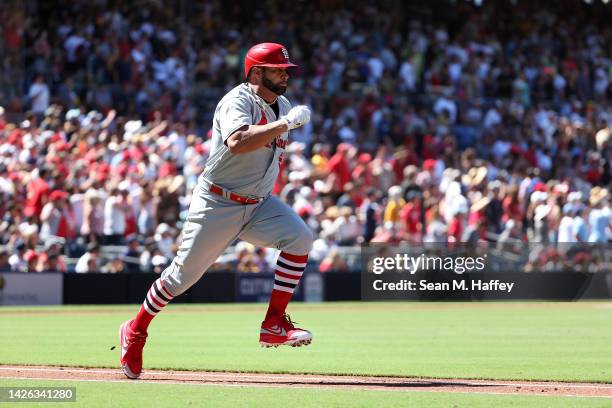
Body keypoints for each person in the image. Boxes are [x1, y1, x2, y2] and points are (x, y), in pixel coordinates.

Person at [119, 43, 313, 379]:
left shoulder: (282, 104)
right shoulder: (236, 101)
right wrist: (283, 126)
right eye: (277, 68)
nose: (285, 74)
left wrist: (283, 123)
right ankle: (135, 329)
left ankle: (273, 324)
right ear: (255, 72)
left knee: (300, 239)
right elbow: (237, 143)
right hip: (218, 202)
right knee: (180, 279)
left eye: (285, 69)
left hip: (258, 204)